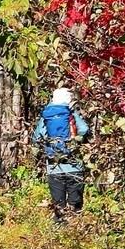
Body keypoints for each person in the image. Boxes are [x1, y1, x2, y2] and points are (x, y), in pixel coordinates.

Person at [32, 87, 90, 219]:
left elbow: (37, 138)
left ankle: (59, 231)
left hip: (54, 167)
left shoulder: (46, 114)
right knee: (76, 204)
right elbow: (84, 129)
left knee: (58, 205)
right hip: (74, 165)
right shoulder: (70, 112)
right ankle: (77, 230)